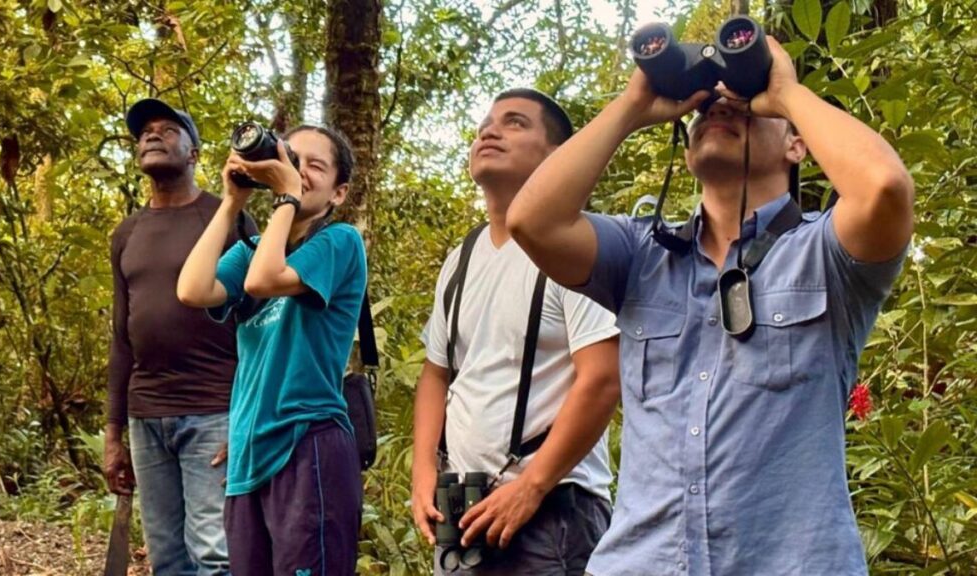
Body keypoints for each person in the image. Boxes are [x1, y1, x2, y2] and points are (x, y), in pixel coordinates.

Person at [506, 37, 914, 575]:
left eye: (741, 101)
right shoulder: (640, 254)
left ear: (797, 145)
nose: (720, 107)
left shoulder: (827, 257)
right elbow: (530, 221)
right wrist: (633, 106)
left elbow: (885, 186)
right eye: (705, 108)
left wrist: (785, 92)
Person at [411, 88, 622, 575]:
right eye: (486, 122)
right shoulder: (461, 258)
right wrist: (424, 472)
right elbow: (436, 373)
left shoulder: (576, 245)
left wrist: (532, 485)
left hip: (553, 507)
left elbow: (602, 378)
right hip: (465, 506)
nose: (489, 130)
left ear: (556, 155)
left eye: (514, 123)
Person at [176, 124, 366, 576]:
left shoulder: (339, 243)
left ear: (338, 193)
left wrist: (286, 197)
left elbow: (265, 280)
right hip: (248, 454)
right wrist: (231, 202)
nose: (298, 171)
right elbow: (191, 289)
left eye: (313, 166)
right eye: (290, 158)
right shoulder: (253, 249)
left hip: (308, 444)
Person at [105, 98, 253, 576]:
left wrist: (247, 414)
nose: (153, 135)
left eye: (169, 130)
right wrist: (113, 433)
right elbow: (121, 336)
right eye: (146, 131)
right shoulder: (126, 233)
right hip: (147, 413)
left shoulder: (228, 216)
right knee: (166, 555)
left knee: (215, 553)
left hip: (215, 408)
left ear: (193, 153)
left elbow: (260, 319)